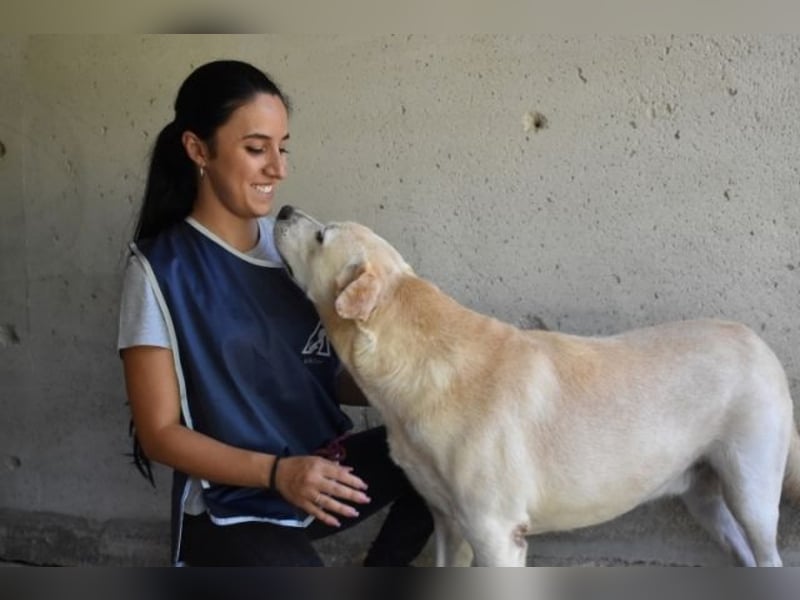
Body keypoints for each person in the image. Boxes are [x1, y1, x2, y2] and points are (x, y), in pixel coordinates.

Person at [117, 59, 433, 566]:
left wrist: (417, 383)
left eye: (281, 148)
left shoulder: (295, 249)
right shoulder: (159, 271)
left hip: (320, 468)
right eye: (255, 148)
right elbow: (160, 433)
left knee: (441, 452)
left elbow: (319, 372)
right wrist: (276, 473)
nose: (278, 169)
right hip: (235, 501)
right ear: (199, 150)